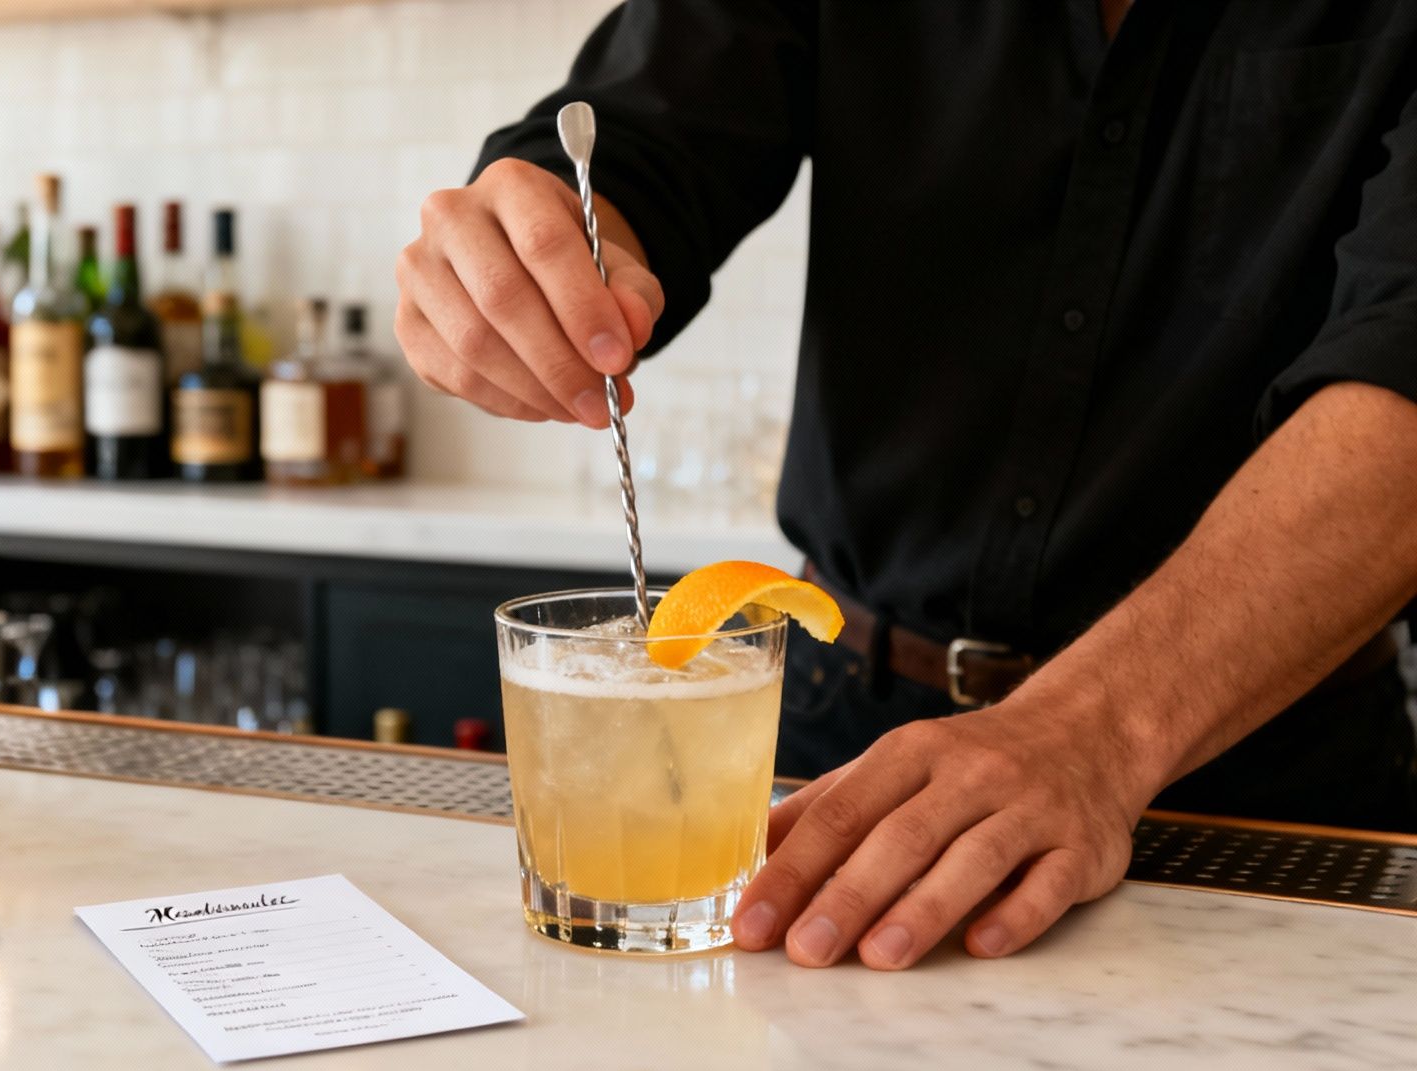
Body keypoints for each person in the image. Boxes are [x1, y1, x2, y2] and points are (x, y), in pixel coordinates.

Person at [396, 0, 1417, 970]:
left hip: (1267, 777)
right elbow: (646, 127)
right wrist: (541, 242)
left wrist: (1095, 729)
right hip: (842, 751)